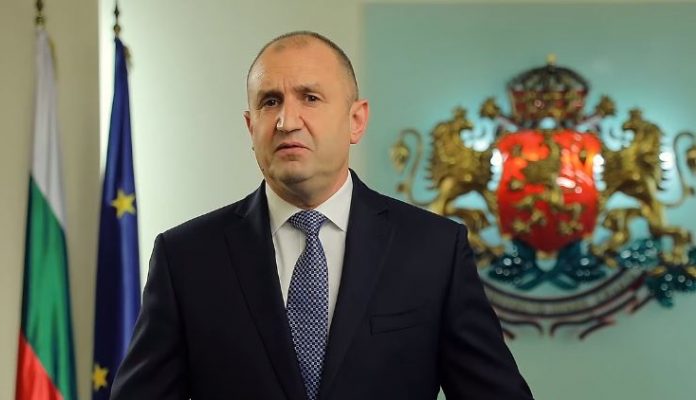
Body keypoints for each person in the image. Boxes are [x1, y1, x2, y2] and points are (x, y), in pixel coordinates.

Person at [110, 31, 533, 400]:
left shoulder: (434, 250)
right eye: (270, 102)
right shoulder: (186, 258)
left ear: (356, 120)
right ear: (250, 126)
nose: (286, 121)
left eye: (310, 98)